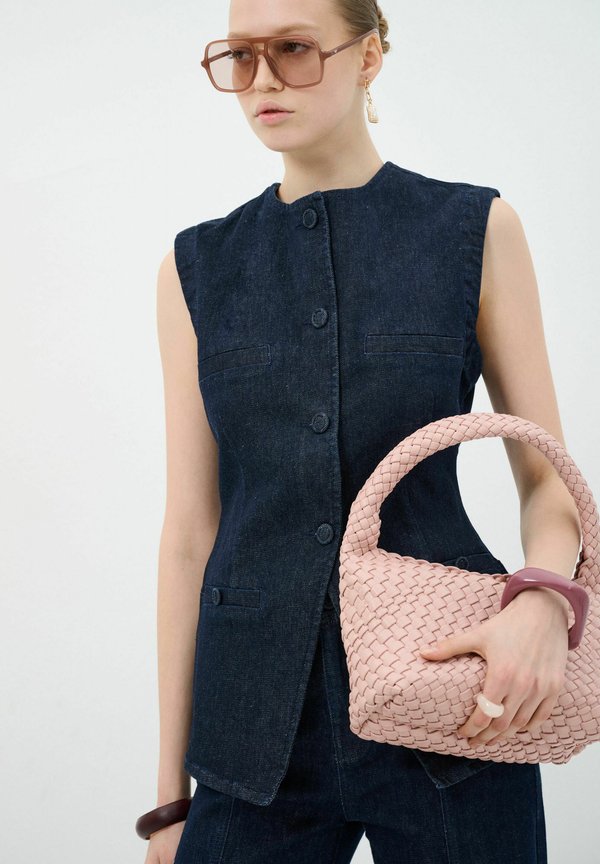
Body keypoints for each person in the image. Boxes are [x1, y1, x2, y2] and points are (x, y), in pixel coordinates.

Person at [143, 1, 581, 861]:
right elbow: (191, 534)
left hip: (454, 702)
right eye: (240, 56)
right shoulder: (195, 268)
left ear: (369, 55)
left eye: (294, 49)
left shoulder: (474, 230)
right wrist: (168, 799)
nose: (263, 80)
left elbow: (547, 475)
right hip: (250, 736)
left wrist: (541, 600)